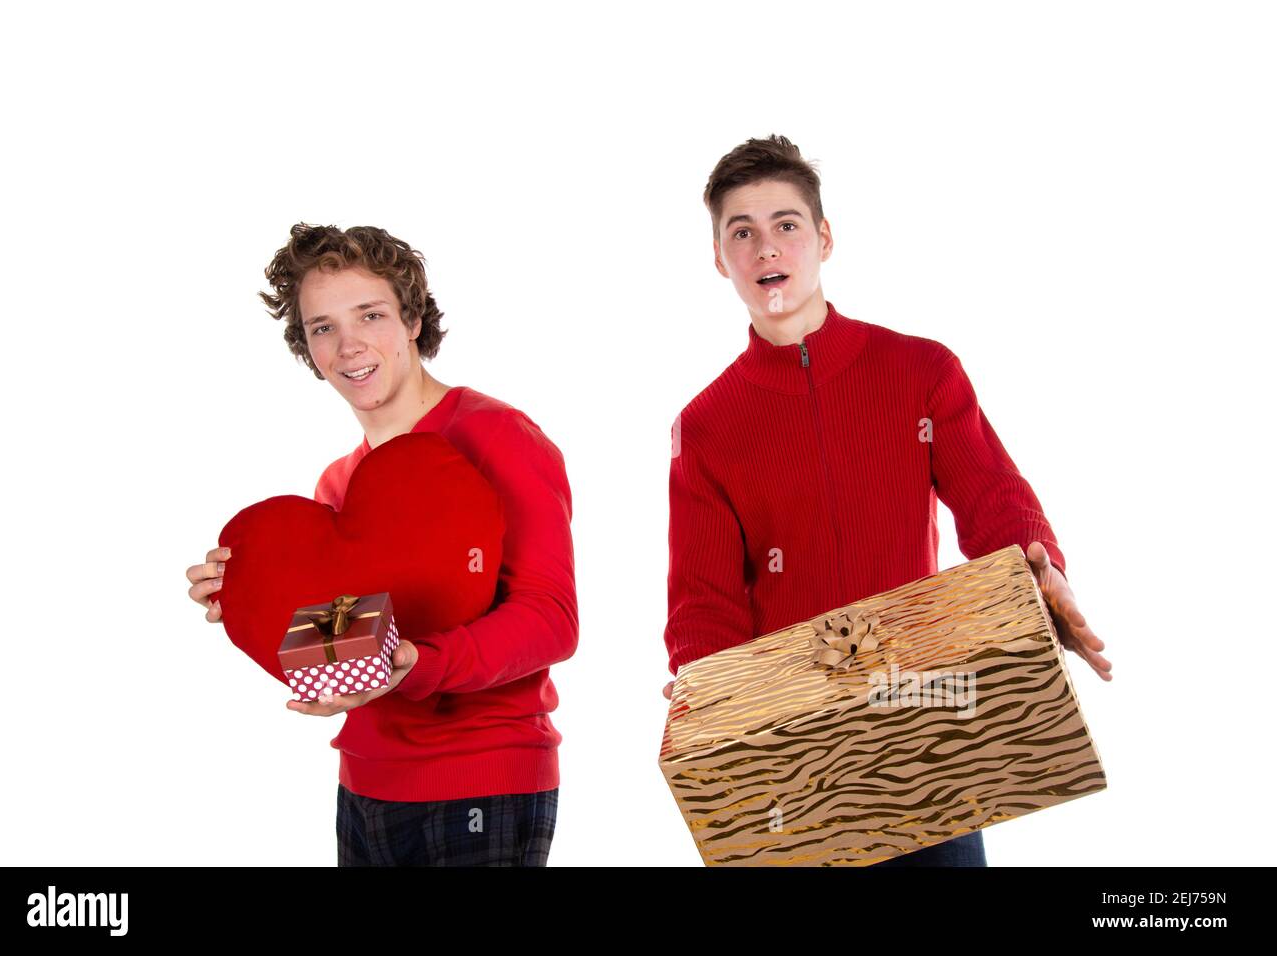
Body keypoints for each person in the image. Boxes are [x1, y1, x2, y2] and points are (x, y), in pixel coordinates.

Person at [662, 135, 1112, 867]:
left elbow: (992, 496)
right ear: (720, 259)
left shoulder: (920, 370)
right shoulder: (706, 427)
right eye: (740, 232)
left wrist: (1038, 569)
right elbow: (704, 600)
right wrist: (710, 687)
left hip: (926, 725)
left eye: (785, 224)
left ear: (824, 238)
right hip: (797, 748)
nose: (764, 247)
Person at [185, 223, 576, 866]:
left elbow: (551, 621)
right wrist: (246, 597)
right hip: (364, 785)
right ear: (307, 348)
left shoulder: (499, 438)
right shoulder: (338, 486)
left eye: (370, 315)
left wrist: (418, 664)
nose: (349, 345)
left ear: (414, 318)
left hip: (483, 778)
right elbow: (345, 640)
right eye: (323, 327)